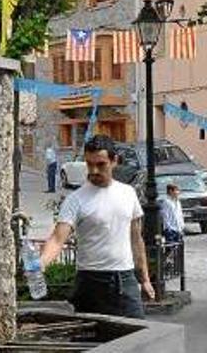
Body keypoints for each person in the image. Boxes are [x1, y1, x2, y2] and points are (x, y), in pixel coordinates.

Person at [38, 135, 153, 318]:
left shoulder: (128, 193)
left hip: (125, 280)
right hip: (90, 281)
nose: (94, 170)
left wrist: (145, 279)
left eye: (101, 164)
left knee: (138, 340)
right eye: (89, 164)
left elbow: (136, 240)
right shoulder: (76, 199)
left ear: (114, 161)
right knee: (90, 342)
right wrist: (41, 263)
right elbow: (57, 238)